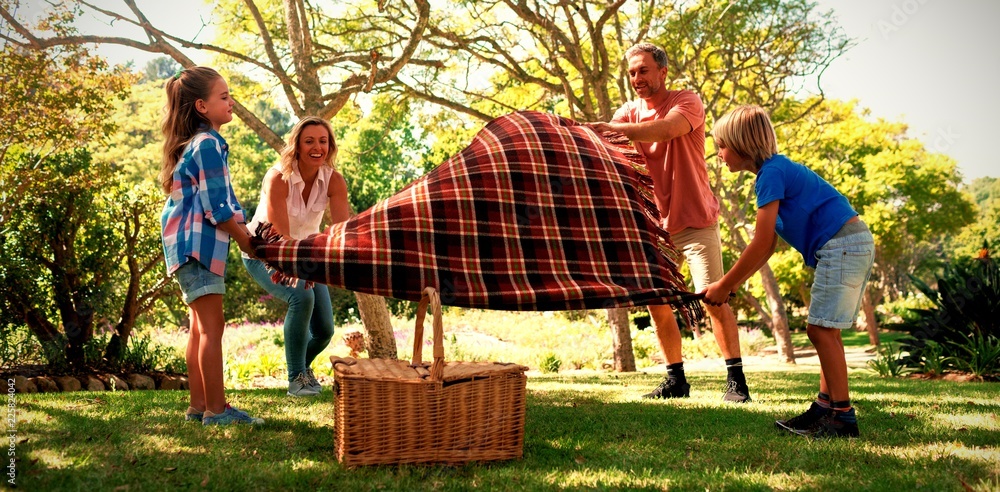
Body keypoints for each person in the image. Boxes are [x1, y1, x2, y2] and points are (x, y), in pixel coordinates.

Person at [588, 43, 750, 402]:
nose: (637, 78)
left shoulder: (686, 101)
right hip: (651, 226)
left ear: (662, 72)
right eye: (631, 73)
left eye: (643, 70)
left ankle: (736, 382)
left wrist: (615, 129)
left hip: (694, 221)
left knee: (713, 297)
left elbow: (667, 129)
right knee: (656, 301)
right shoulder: (626, 113)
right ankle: (676, 380)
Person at [703, 105, 874, 437]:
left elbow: (761, 240)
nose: (719, 154)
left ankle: (842, 417)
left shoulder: (771, 174)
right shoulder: (776, 171)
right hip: (849, 243)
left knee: (820, 331)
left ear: (742, 143)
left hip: (842, 245)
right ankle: (826, 408)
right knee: (827, 330)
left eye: (721, 146)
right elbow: (767, 248)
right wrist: (733, 283)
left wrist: (724, 285)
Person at [159, 66, 264, 426]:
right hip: (198, 247)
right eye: (224, 96)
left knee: (200, 328)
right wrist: (248, 243)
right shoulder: (207, 145)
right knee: (212, 327)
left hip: (187, 248)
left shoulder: (200, 145)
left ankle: (199, 406)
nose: (230, 101)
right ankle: (217, 411)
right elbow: (218, 209)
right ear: (202, 106)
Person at [242, 116, 350, 397]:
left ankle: (303, 369)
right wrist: (307, 265)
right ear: (298, 146)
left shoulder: (334, 180)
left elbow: (342, 230)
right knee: (301, 297)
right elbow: (281, 236)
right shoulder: (279, 177)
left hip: (305, 256)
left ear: (330, 146)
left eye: (323, 141)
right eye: (310, 141)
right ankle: (295, 379)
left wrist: (333, 254)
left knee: (325, 329)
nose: (317, 147)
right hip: (266, 252)